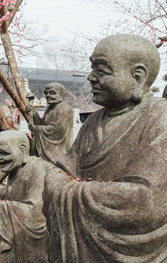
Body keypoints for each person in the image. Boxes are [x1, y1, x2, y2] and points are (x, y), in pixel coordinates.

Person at [43, 34, 167, 262]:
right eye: (93, 69)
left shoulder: (159, 118)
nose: (90, 77)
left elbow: (148, 201)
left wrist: (69, 192)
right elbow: (61, 171)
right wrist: (60, 186)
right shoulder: (93, 121)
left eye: (101, 71)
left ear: (138, 78)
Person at [0, 130, 50, 263]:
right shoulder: (15, 169)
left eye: (3, 152)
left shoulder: (37, 168)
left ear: (22, 150)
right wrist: (0, 191)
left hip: (32, 241)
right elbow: (15, 194)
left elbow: (36, 214)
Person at [26, 82, 73, 164]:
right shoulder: (50, 108)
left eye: (52, 93)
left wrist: (35, 128)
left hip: (56, 150)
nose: (48, 96)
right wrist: (34, 113)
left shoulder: (64, 109)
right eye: (46, 93)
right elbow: (43, 124)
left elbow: (57, 130)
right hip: (47, 147)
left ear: (61, 94)